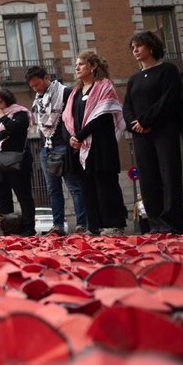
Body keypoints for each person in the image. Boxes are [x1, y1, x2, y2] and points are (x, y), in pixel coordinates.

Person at [125, 30, 183, 233]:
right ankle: (155, 223)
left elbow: (168, 99)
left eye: (139, 46)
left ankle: (171, 223)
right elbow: (127, 106)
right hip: (140, 134)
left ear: (151, 47)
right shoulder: (133, 79)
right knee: (148, 177)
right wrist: (134, 124)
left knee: (168, 174)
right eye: (133, 47)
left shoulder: (168, 70)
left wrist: (145, 120)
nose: (135, 50)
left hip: (163, 130)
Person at [64, 51, 128, 236]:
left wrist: (80, 135)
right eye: (76, 64)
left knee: (105, 184)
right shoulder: (75, 92)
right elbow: (68, 117)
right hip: (81, 147)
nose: (77, 67)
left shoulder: (104, 86)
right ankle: (94, 226)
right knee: (87, 187)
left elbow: (103, 115)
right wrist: (73, 138)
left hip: (101, 145)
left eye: (81, 64)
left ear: (93, 66)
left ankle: (114, 224)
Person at [27, 65, 88, 235]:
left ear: (46, 78)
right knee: (53, 189)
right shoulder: (38, 100)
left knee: (74, 186)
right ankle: (58, 225)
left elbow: (75, 118)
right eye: (32, 86)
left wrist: (73, 141)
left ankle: (82, 224)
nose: (35, 89)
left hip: (64, 145)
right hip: (46, 147)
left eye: (37, 84)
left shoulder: (65, 93)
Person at [0, 89, 36, 236]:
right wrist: (3, 134)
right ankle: (8, 229)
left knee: (23, 196)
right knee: (4, 198)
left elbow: (15, 128)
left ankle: (28, 228)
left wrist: (3, 118)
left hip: (17, 162)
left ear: (8, 100)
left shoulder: (20, 114)